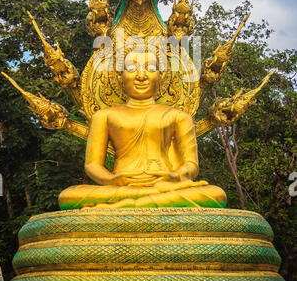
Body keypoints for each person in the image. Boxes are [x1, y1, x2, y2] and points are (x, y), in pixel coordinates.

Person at [59, 50, 227, 209]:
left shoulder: (179, 117)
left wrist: (174, 176)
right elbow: (92, 165)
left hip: (167, 185)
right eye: (131, 69)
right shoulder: (104, 116)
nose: (141, 76)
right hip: (121, 186)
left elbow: (191, 165)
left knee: (216, 194)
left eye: (151, 68)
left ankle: (126, 205)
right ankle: (145, 201)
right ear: (120, 77)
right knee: (68, 196)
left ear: (161, 76)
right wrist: (111, 179)